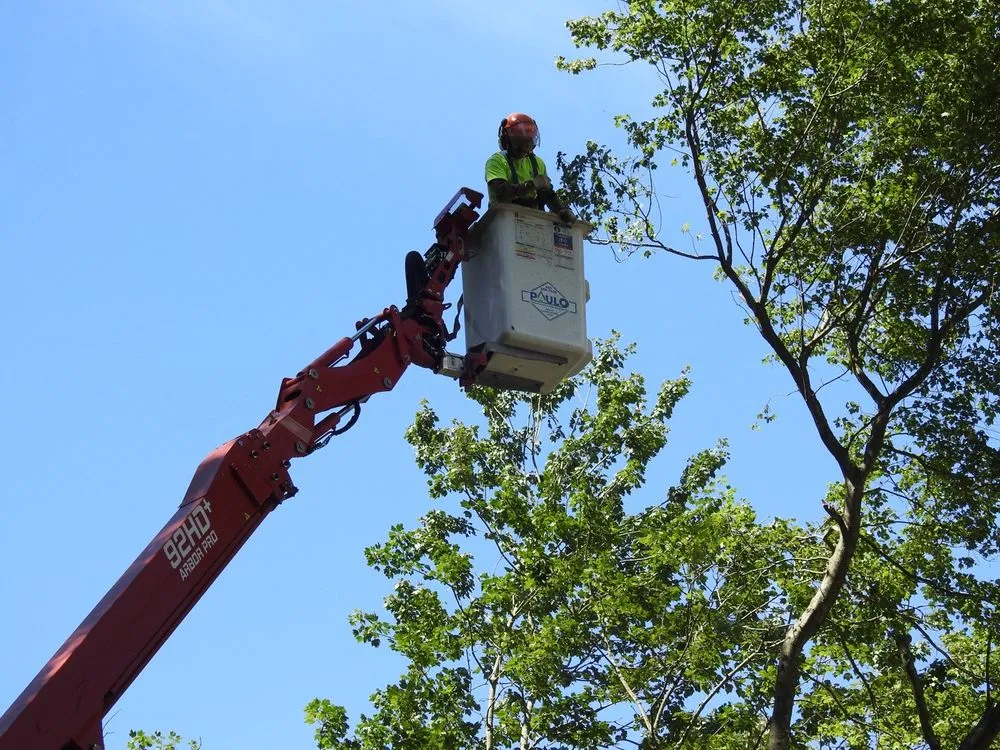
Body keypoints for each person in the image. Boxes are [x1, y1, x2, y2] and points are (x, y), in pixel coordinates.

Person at [486, 112, 574, 224]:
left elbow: (547, 194)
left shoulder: (537, 163)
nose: (525, 144)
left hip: (532, 220)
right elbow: (501, 193)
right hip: (504, 220)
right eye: (520, 139)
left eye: (528, 138)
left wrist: (562, 210)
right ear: (506, 139)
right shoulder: (497, 161)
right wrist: (532, 185)